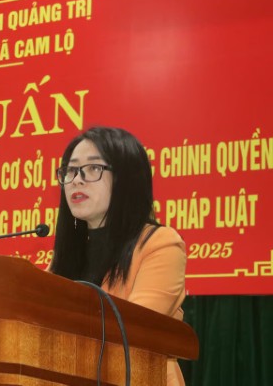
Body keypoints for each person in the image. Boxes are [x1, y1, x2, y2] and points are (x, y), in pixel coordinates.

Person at [49, 126, 187, 386]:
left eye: (93, 168)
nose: (77, 179)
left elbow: (132, 329)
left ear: (126, 179)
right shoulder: (65, 258)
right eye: (71, 170)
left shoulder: (160, 244)